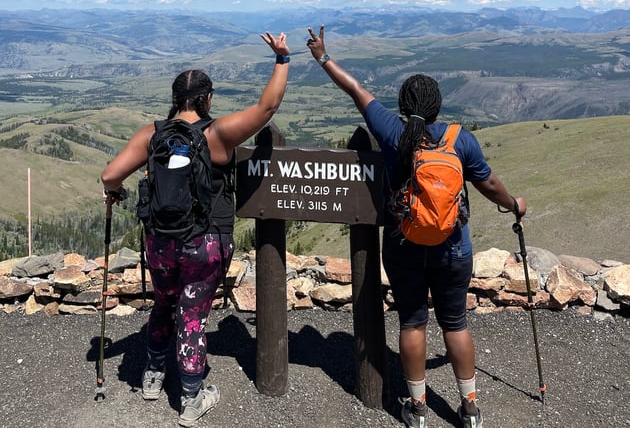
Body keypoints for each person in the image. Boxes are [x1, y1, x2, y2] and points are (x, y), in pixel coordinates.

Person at [306, 25, 526, 428]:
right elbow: (490, 185)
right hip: (453, 246)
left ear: (404, 105)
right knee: (455, 322)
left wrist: (322, 56)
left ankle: (418, 408)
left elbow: (355, 89)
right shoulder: (461, 140)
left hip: (403, 242)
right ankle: (470, 407)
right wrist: (515, 205)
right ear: (438, 106)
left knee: (413, 320)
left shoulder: (393, 133)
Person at [101, 31, 292, 427]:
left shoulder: (151, 135)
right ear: (208, 99)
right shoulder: (216, 135)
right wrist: (282, 60)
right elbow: (267, 106)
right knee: (193, 314)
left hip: (160, 242)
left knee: (165, 304)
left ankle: (152, 378)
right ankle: (191, 396)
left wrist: (116, 193)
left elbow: (109, 176)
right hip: (205, 241)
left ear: (175, 98)